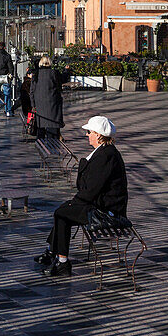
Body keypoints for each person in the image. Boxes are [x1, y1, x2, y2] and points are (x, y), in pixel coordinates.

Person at [37, 115, 128, 277]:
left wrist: (75, 202)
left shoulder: (105, 156)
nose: (87, 135)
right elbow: (88, 188)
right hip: (102, 204)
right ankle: (55, 254)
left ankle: (62, 261)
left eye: (89, 132)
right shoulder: (103, 153)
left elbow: (89, 189)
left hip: (108, 211)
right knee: (64, 210)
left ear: (99, 135)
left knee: (62, 212)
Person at [30, 55, 67, 140]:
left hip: (39, 103)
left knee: (41, 126)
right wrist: (66, 71)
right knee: (52, 125)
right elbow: (60, 84)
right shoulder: (54, 72)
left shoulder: (36, 74)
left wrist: (33, 104)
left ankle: (40, 144)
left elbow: (32, 90)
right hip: (53, 102)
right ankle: (52, 145)